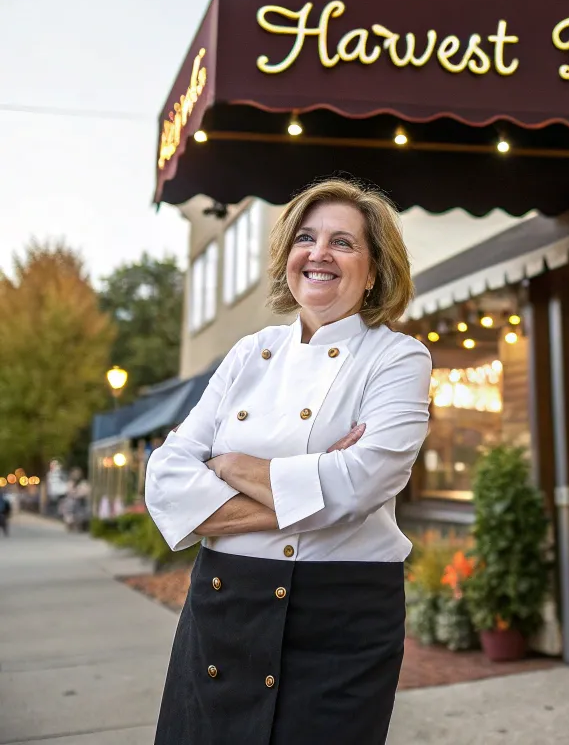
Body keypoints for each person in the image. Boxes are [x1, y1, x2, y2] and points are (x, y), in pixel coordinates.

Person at [145, 178, 432, 745]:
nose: (319, 253)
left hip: (341, 613)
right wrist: (318, 486)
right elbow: (166, 480)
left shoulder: (398, 357)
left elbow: (362, 482)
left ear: (374, 270)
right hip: (227, 601)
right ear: (287, 258)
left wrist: (227, 465)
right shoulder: (249, 352)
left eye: (343, 242)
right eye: (306, 237)